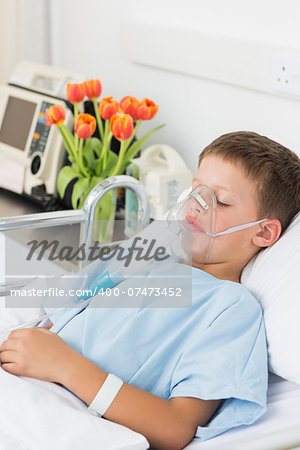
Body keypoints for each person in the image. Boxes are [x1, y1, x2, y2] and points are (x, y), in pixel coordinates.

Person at [0, 131, 299, 450]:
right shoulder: (151, 256)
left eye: (219, 201)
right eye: (196, 190)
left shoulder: (232, 309)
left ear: (264, 232)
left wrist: (65, 365)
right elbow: (68, 306)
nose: (195, 208)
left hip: (61, 412)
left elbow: (175, 427)